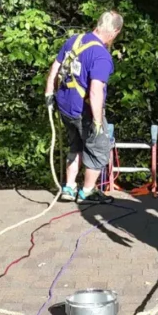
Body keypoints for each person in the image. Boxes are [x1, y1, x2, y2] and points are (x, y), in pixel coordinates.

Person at [44, 11, 124, 204]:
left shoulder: (74, 40)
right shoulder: (101, 56)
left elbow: (56, 66)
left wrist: (49, 92)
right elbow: (96, 90)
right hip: (84, 110)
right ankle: (87, 192)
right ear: (114, 31)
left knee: (76, 145)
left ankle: (69, 188)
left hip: (65, 106)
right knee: (99, 147)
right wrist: (97, 121)